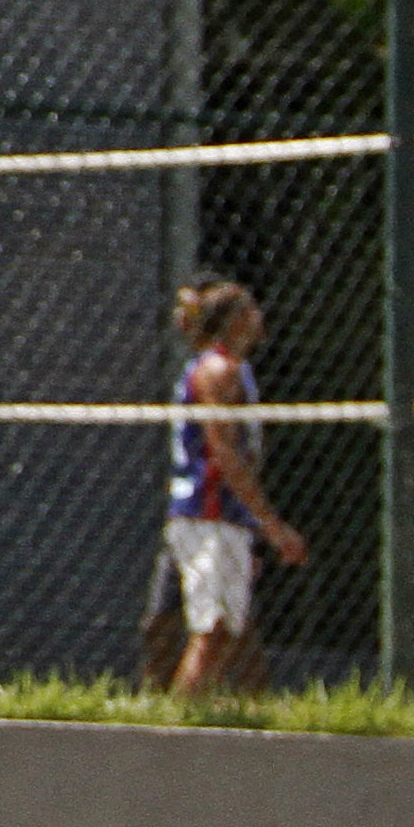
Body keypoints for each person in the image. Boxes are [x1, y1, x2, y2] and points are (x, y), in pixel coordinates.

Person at [161, 276, 306, 697]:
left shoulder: (236, 370)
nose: (260, 318)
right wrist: (272, 526)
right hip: (208, 512)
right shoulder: (218, 371)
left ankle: (192, 719)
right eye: (252, 309)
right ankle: (173, 732)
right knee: (212, 630)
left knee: (224, 632)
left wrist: (251, 527)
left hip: (226, 515)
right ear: (237, 319)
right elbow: (225, 455)